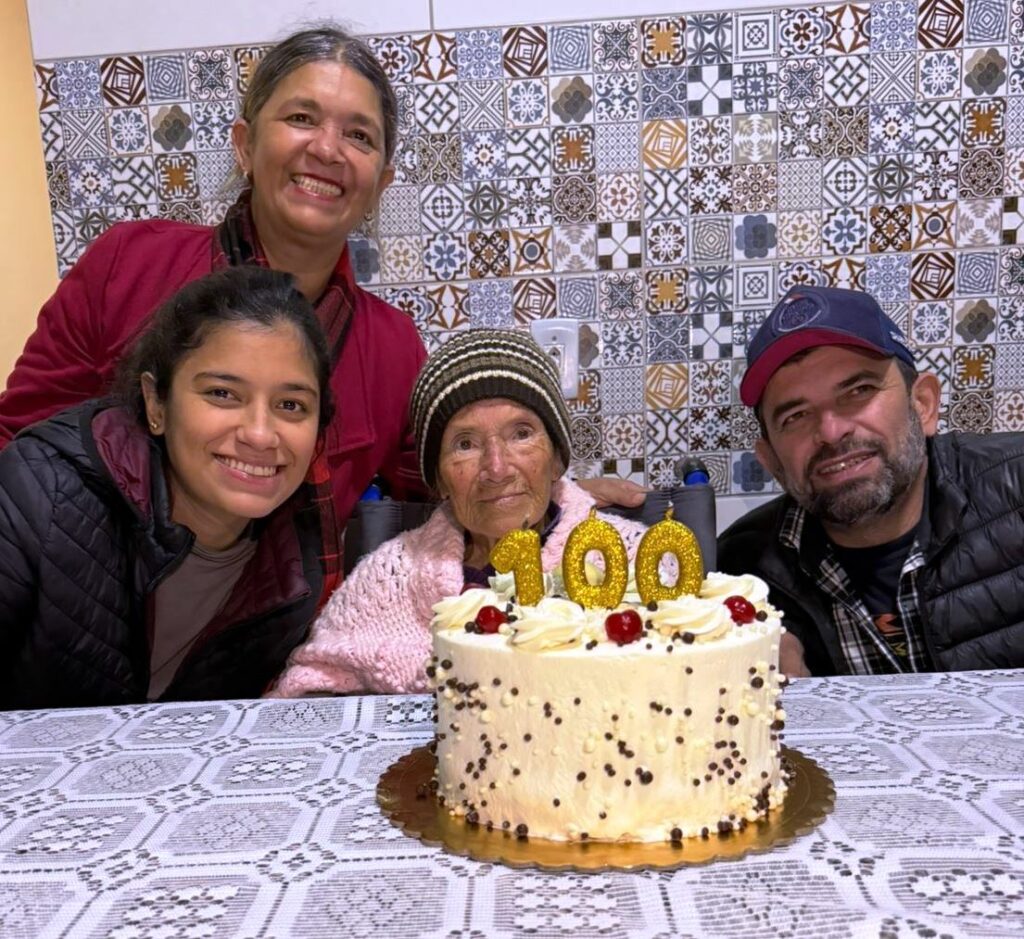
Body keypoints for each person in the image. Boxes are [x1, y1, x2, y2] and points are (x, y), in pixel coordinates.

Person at [0, 25, 643, 519]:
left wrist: (546, 501)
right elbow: (18, 446)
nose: (328, 150)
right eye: (301, 118)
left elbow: (439, 504)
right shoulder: (128, 265)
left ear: (380, 184)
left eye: (359, 136)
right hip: (83, 632)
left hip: (288, 663)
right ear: (247, 145)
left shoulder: (390, 347)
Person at [0, 267, 331, 709]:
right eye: (222, 394)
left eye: (291, 405)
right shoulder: (36, 494)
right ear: (156, 404)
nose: (259, 434)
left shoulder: (292, 567)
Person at [271, 330, 649, 695]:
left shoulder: (631, 555)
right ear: (438, 479)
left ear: (556, 460)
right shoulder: (387, 577)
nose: (497, 468)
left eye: (521, 433)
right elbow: (311, 687)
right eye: (465, 444)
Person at [717, 285, 1024, 676]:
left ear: (923, 405)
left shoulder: (1015, 493)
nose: (830, 431)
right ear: (772, 459)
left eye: (858, 391)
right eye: (795, 416)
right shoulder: (739, 571)